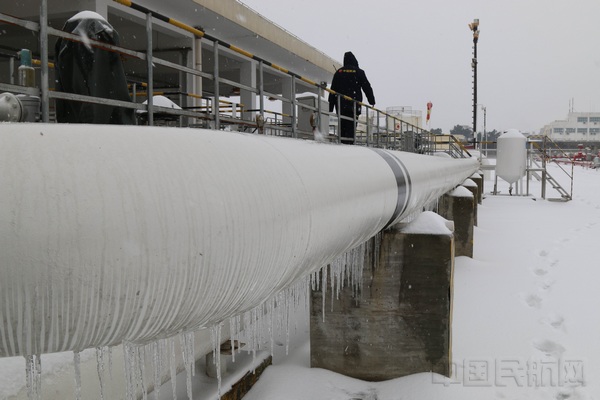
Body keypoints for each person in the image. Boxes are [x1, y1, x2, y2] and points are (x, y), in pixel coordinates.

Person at [328, 52, 375, 144]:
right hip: (354, 106)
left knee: (342, 126)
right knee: (352, 126)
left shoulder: (339, 72)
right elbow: (367, 87)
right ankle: (350, 144)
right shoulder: (359, 72)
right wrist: (371, 101)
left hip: (341, 105)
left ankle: (343, 143)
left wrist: (330, 107)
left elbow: (332, 91)